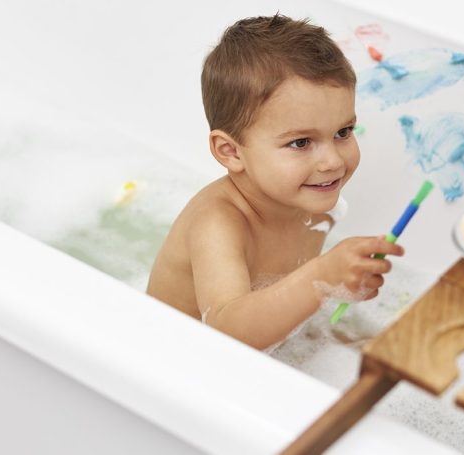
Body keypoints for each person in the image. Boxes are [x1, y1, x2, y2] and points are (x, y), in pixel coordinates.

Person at [147, 14, 403, 350]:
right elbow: (227, 330)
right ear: (230, 152)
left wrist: (339, 282)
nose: (333, 161)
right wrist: (322, 278)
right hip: (170, 360)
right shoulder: (218, 222)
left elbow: (282, 300)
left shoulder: (307, 199)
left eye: (343, 132)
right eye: (300, 143)